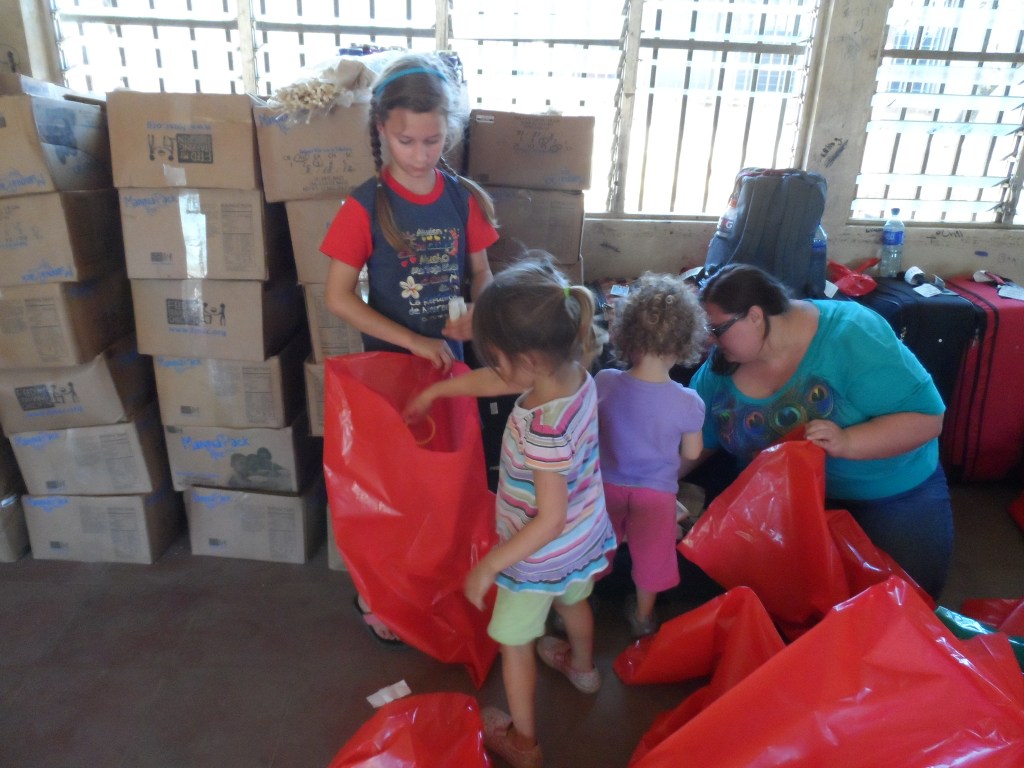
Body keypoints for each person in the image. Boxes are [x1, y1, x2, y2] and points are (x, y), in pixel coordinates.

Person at [404, 257, 617, 768]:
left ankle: (524, 744)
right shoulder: (572, 369)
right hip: (584, 537)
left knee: (515, 643)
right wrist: (438, 390)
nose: (493, 366)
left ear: (523, 360)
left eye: (492, 355)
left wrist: (491, 563)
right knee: (574, 603)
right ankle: (584, 669)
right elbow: (500, 382)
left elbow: (548, 519)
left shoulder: (543, 428)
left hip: (536, 556)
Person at [319, 51, 500, 646]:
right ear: (381, 131)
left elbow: (481, 272)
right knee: (393, 488)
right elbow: (339, 297)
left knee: (449, 484)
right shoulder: (364, 205)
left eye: (433, 140)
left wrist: (479, 314)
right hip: (393, 373)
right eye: (407, 141)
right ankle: (381, 593)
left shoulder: (461, 197)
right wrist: (414, 341)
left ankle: (438, 581)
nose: (422, 154)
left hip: (452, 369)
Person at [686, 263, 954, 599]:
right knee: (738, 596)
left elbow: (928, 419)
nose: (709, 341)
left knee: (900, 603)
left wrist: (849, 442)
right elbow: (696, 438)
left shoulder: (853, 334)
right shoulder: (724, 363)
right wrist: (647, 485)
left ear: (755, 316)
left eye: (716, 329)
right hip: (780, 499)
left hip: (885, 492)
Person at [595, 273, 707, 638]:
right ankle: (643, 618)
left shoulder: (605, 383)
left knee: (595, 547)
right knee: (653, 555)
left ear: (626, 338)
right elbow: (691, 451)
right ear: (685, 344)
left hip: (606, 487)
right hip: (656, 495)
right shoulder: (689, 401)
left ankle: (577, 607)